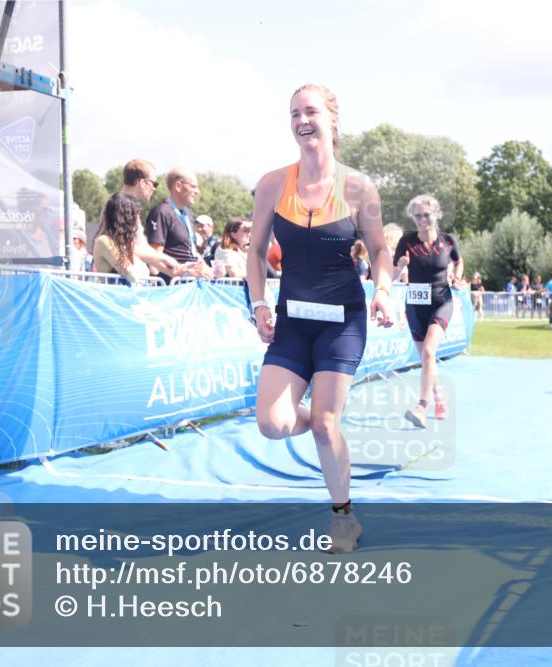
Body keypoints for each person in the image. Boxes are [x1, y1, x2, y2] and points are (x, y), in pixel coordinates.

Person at [245, 83, 394, 554]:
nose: (302, 120)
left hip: (343, 321)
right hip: (291, 318)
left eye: (310, 111)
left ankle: (343, 518)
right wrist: (259, 304)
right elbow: (253, 252)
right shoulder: (272, 183)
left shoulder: (358, 187)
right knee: (271, 423)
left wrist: (383, 290)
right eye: (294, 113)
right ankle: (323, 422)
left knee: (328, 426)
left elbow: (379, 249)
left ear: (332, 119)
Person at [393, 193, 463, 429]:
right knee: (426, 357)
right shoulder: (407, 242)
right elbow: (392, 276)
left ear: (436, 214)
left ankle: (421, 406)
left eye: (426, 215)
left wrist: (456, 276)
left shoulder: (448, 240)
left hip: (442, 301)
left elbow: (458, 261)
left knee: (430, 351)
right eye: (417, 216)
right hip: (415, 305)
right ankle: (439, 398)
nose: (422, 220)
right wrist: (400, 267)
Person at [93, 193, 183, 283]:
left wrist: (166, 260)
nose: (139, 220)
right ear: (126, 218)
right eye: (136, 215)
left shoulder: (129, 245)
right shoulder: (104, 241)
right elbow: (132, 274)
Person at [144, 167, 212, 279]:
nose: (197, 191)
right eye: (193, 186)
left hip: (190, 283)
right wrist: (178, 271)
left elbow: (192, 250)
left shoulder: (188, 214)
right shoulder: (162, 212)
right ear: (178, 186)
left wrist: (208, 271)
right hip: (172, 285)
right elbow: (154, 258)